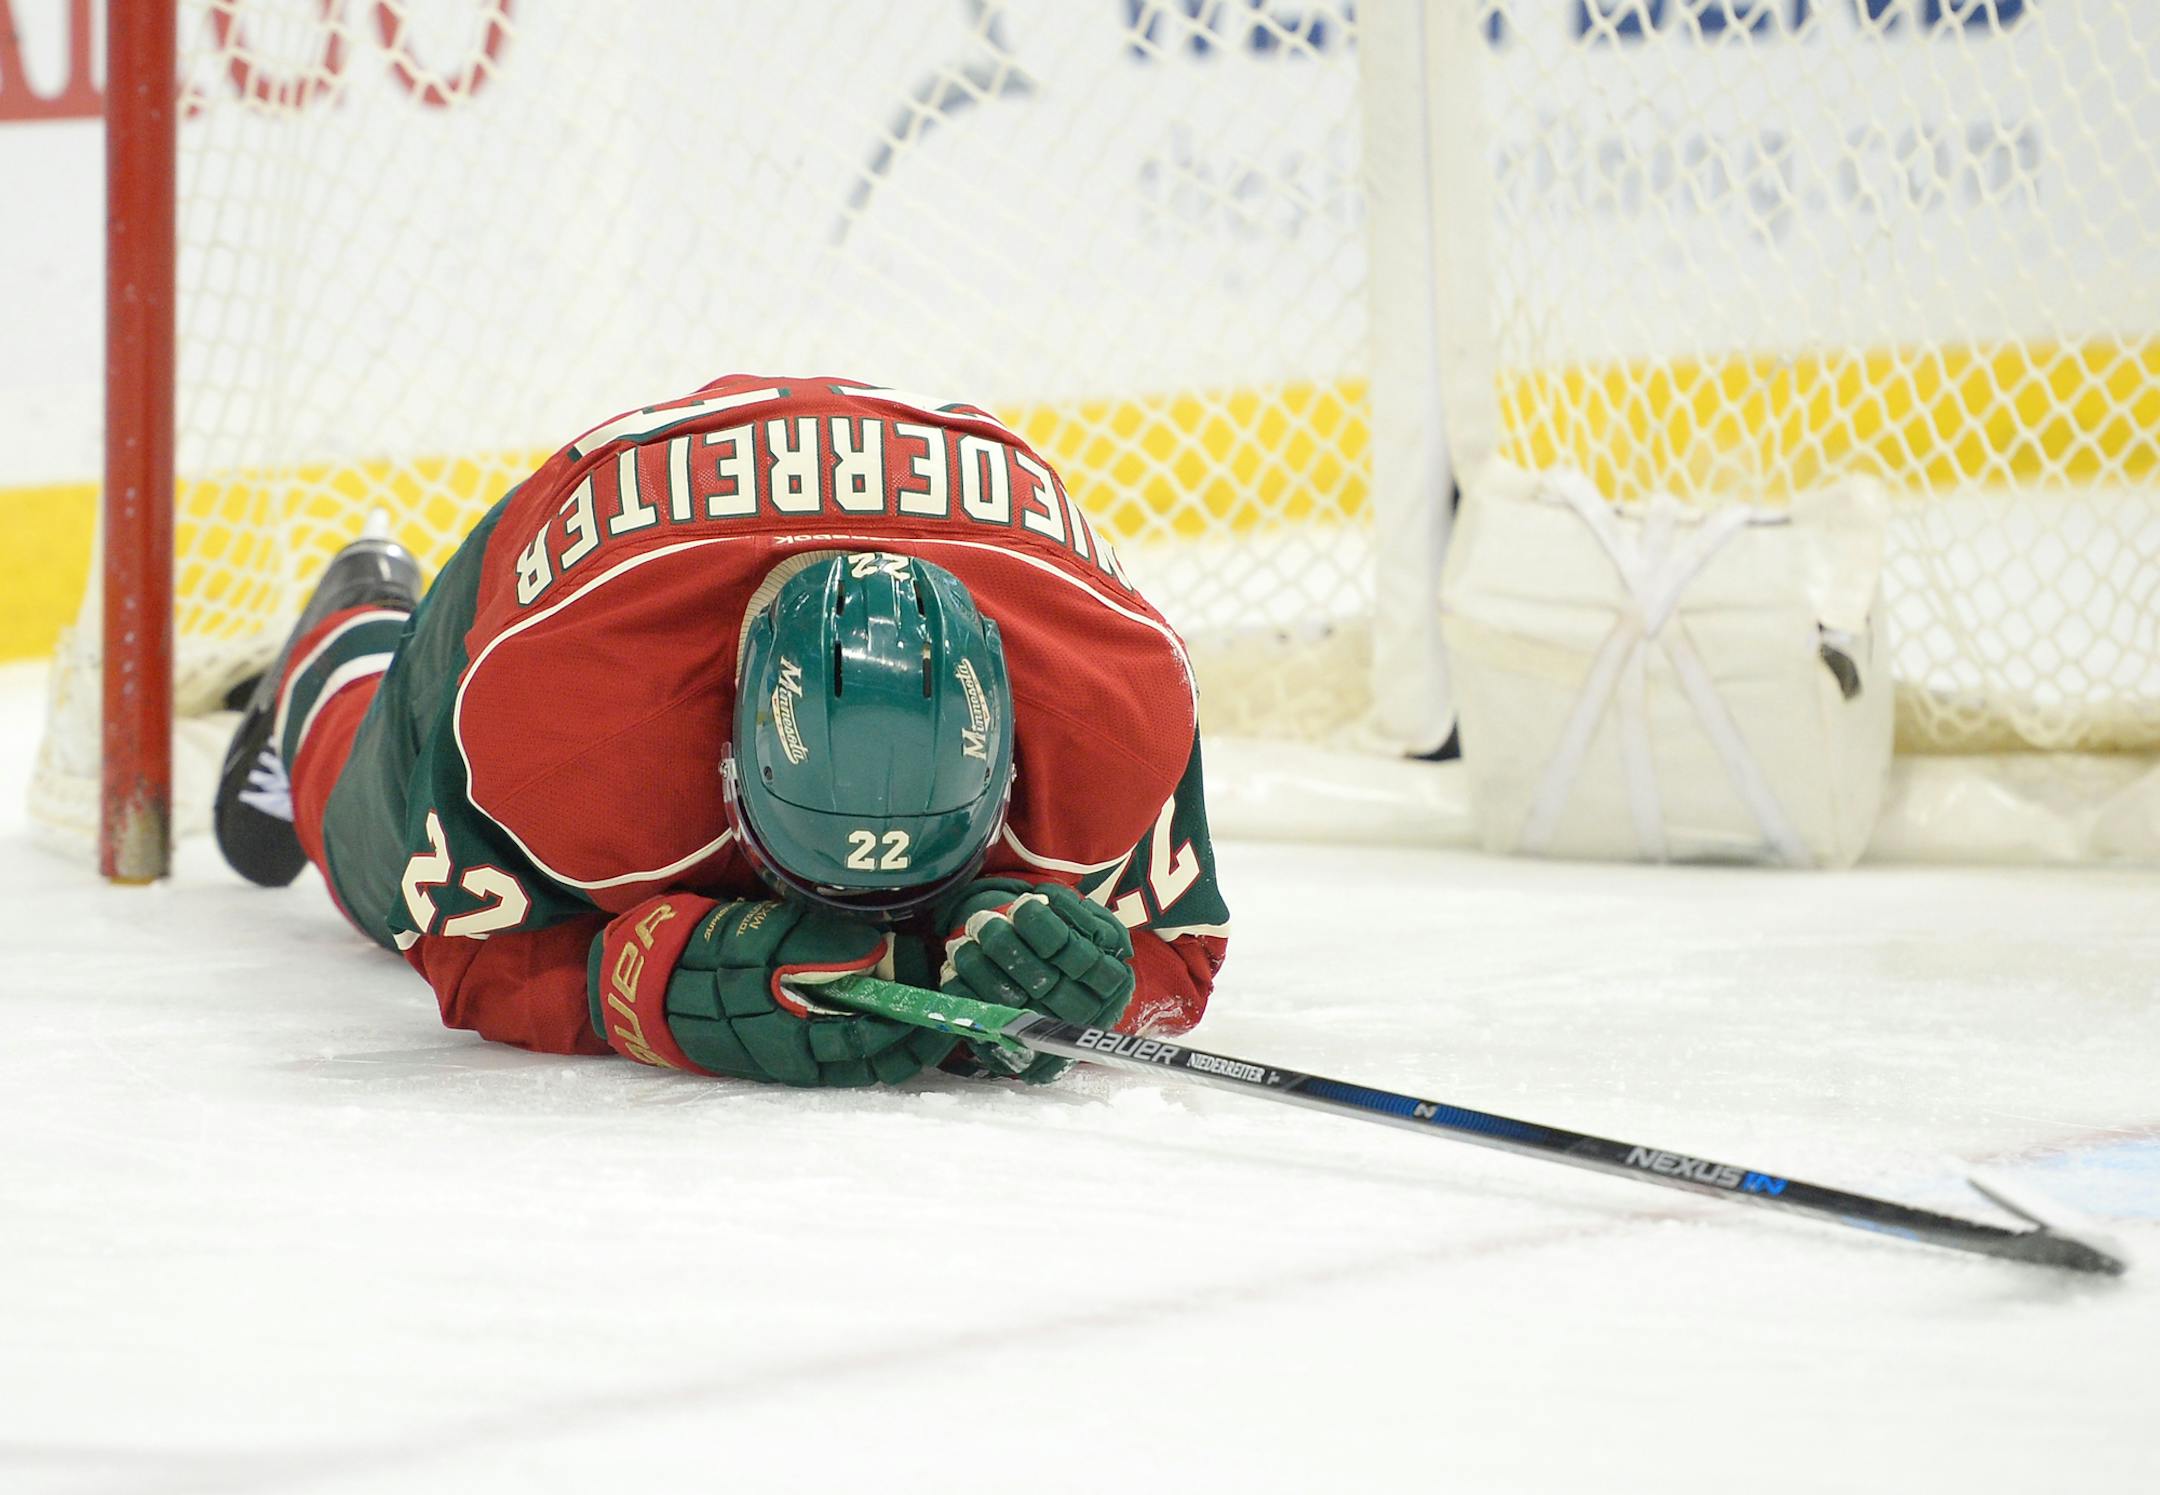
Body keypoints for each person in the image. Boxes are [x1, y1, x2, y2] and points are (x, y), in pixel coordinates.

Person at [213, 374, 1229, 1087]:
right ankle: (343, 642)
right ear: (726, 758)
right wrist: (643, 990)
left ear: (1011, 748)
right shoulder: (555, 714)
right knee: (356, 850)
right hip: (560, 575)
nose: (877, 924)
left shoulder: (1114, 702)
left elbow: (1178, 948)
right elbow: (456, 946)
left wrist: (1075, 979)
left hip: (790, 526)